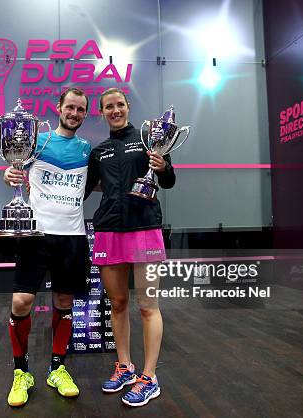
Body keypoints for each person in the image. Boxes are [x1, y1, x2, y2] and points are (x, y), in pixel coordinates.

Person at [85, 87, 175, 407]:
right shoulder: (99, 152)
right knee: (118, 303)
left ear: (128, 107)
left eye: (119, 104)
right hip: (109, 231)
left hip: (144, 229)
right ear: (102, 112)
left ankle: (149, 377)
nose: (115, 110)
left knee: (147, 306)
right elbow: (83, 190)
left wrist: (163, 167)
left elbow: (168, 181)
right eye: (108, 107)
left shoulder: (149, 138)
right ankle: (124, 366)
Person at [2, 88, 91, 407]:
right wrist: (9, 172)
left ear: (84, 113)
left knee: (64, 301)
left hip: (73, 236)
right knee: (22, 301)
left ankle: (58, 368)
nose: (74, 113)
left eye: (80, 109)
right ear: (59, 108)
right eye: (70, 107)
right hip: (36, 235)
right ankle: (21, 372)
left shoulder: (86, 149)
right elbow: (13, 170)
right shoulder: (38, 141)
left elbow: (90, 186)